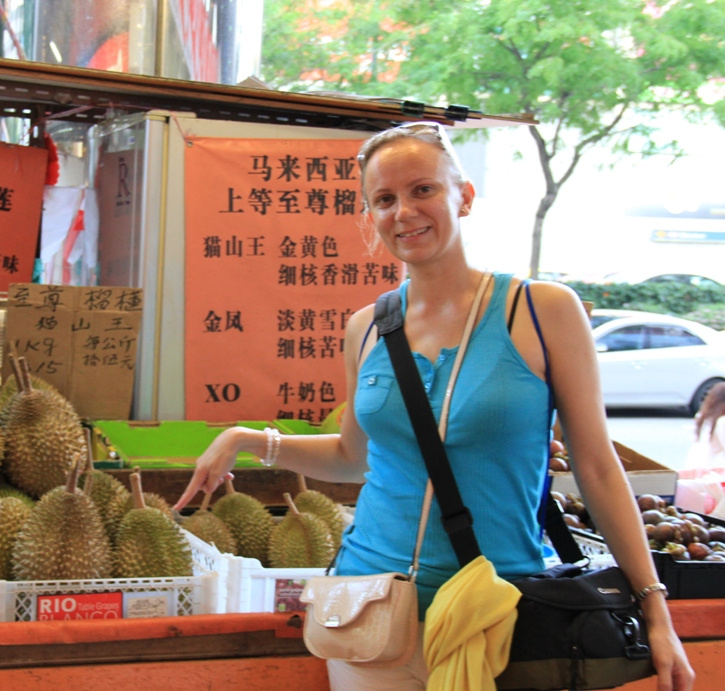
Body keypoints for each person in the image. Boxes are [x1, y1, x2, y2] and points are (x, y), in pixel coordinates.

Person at [173, 122, 694, 690]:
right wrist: (253, 441)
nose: (405, 212)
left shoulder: (543, 311)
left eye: (423, 190)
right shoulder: (366, 329)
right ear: (371, 213)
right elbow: (353, 457)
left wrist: (655, 608)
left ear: (463, 196)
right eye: (385, 199)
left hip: (496, 609)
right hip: (371, 609)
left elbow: (595, 468)